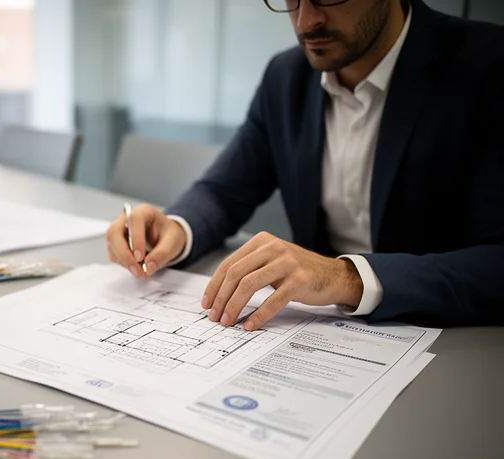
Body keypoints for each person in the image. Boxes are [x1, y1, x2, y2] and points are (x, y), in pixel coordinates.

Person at [105, 0, 504, 329]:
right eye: (291, 0)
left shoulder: (486, 66)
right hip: (315, 333)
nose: (307, 20)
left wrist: (343, 277)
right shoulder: (286, 76)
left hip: (446, 342)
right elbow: (225, 190)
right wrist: (176, 228)